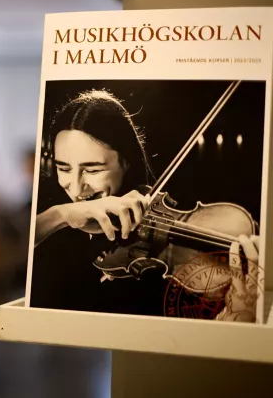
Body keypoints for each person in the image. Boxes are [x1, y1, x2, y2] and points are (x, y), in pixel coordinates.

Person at [30, 89, 259, 320]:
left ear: (127, 161)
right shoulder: (50, 233)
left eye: (93, 170)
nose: (77, 189)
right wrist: (61, 214)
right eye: (64, 169)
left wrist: (237, 311)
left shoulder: (151, 274)